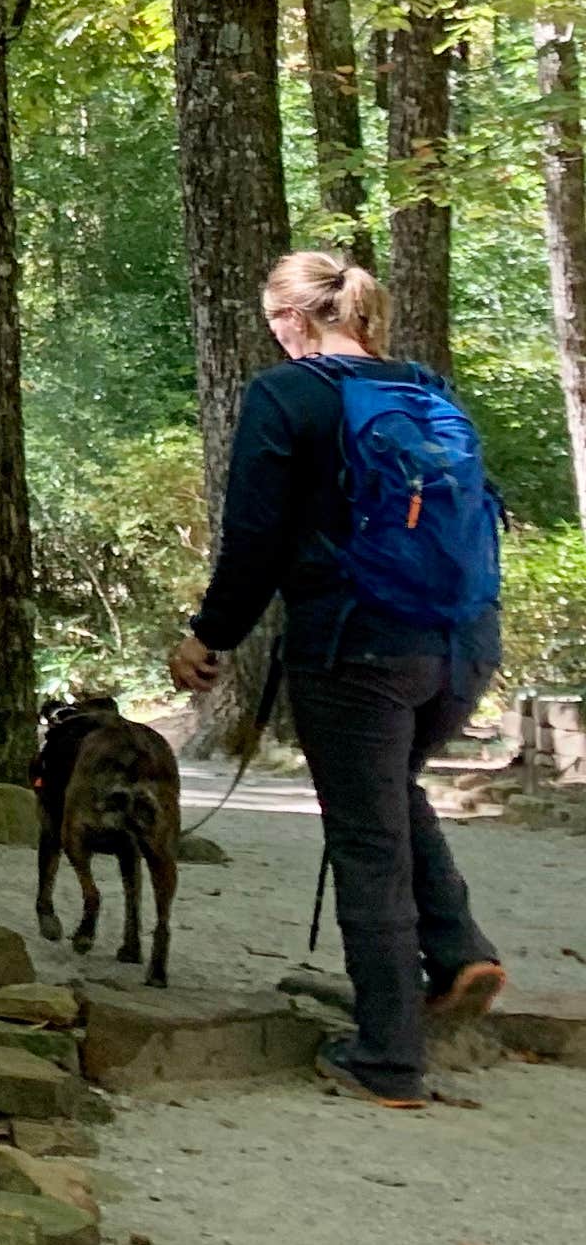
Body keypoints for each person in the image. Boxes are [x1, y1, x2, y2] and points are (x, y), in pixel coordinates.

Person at [168, 249, 505, 1110]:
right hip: (462, 643)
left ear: (291, 319)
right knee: (389, 790)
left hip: (357, 646)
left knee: (366, 838)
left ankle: (388, 1057)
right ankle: (460, 950)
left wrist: (210, 639)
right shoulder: (422, 384)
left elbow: (255, 538)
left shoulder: (287, 393)